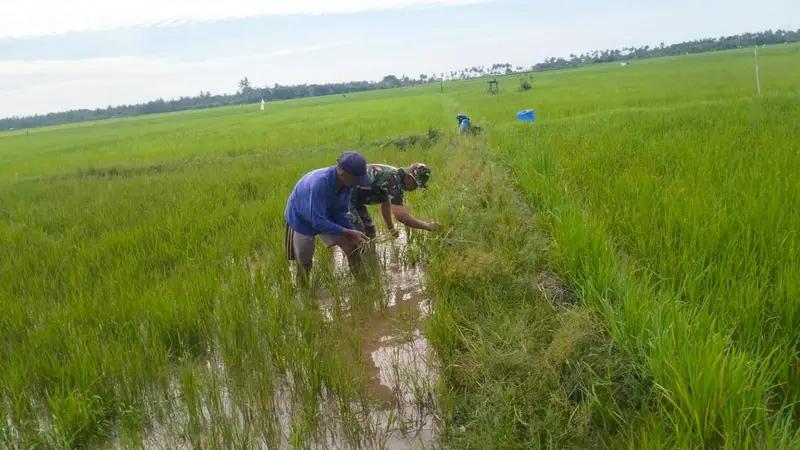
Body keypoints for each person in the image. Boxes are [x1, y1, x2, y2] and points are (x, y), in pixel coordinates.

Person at [284, 151, 372, 279]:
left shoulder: (348, 185)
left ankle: (364, 285)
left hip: (326, 215)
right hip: (302, 219)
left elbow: (342, 212)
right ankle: (304, 294)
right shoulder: (319, 184)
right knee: (304, 262)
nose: (358, 183)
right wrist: (348, 232)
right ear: (343, 173)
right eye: (356, 179)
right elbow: (317, 221)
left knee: (352, 248)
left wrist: (351, 232)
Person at [350, 163, 439, 239]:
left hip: (354, 201)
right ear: (409, 177)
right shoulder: (393, 179)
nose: (414, 188)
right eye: (415, 184)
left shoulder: (396, 178)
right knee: (359, 235)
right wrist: (427, 226)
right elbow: (401, 216)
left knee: (369, 233)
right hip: (343, 196)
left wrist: (391, 228)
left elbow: (386, 204)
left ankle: (369, 258)